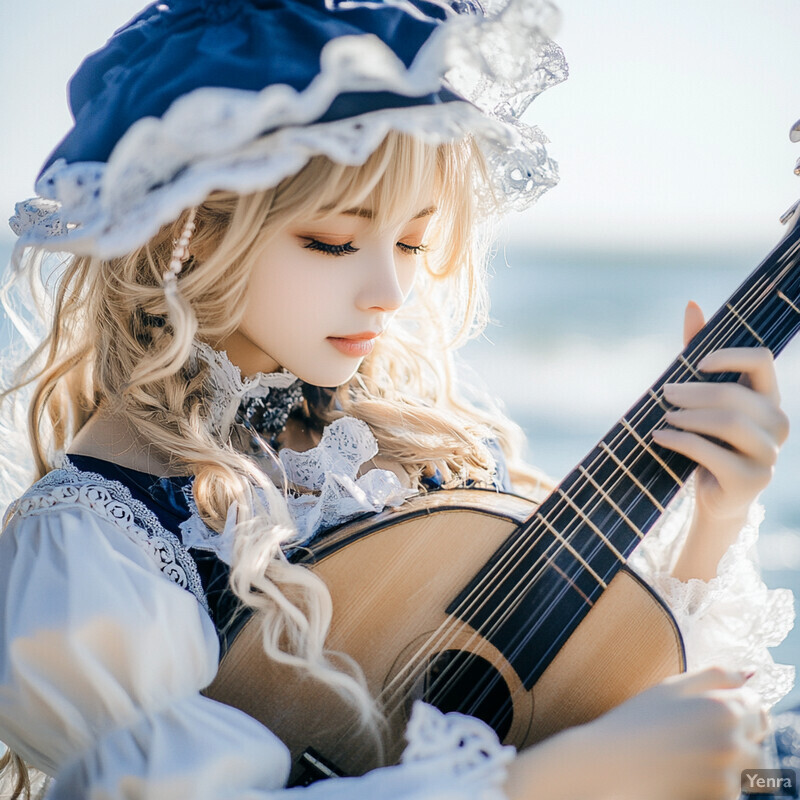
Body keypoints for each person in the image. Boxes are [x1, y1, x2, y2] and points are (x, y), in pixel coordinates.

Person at [0, 1, 794, 798]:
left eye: (414, 241)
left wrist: (714, 512)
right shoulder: (93, 552)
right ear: (189, 232)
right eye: (334, 242)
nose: (389, 290)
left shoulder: (403, 439)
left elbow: (589, 705)